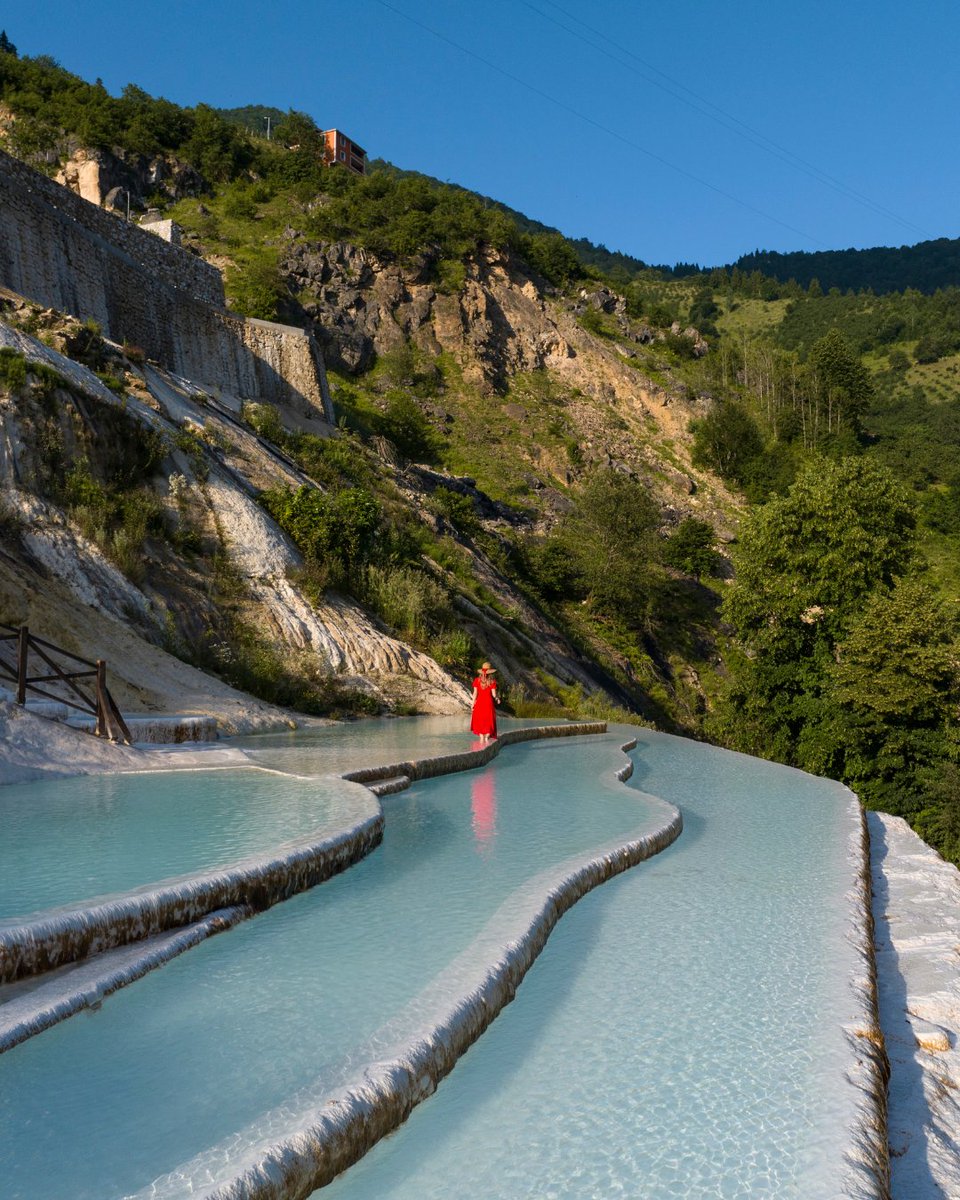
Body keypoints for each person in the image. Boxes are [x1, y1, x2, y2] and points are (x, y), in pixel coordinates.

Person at [470, 661, 499, 741]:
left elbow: (475, 693)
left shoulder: (477, 680)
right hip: (488, 703)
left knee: (479, 720)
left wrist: (473, 704)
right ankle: (487, 737)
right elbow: (494, 694)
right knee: (489, 720)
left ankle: (482, 737)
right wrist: (497, 699)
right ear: (490, 672)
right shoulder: (492, 682)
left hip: (479, 703)